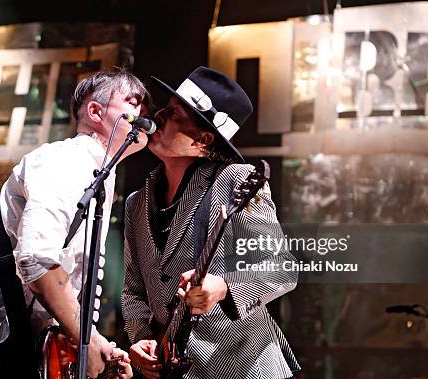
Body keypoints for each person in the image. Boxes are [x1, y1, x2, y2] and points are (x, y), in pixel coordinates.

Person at [0, 69, 148, 378]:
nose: (145, 112)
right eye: (133, 102)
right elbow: (36, 263)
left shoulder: (98, 173)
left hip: (1, 334)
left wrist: (96, 342)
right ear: (95, 111)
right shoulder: (69, 160)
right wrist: (86, 345)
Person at [121, 67, 300, 378]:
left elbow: (282, 268)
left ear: (202, 140)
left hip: (243, 366)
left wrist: (225, 288)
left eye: (175, 113)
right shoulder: (136, 202)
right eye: (166, 106)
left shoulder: (235, 181)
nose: (159, 115)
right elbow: (133, 290)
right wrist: (143, 340)